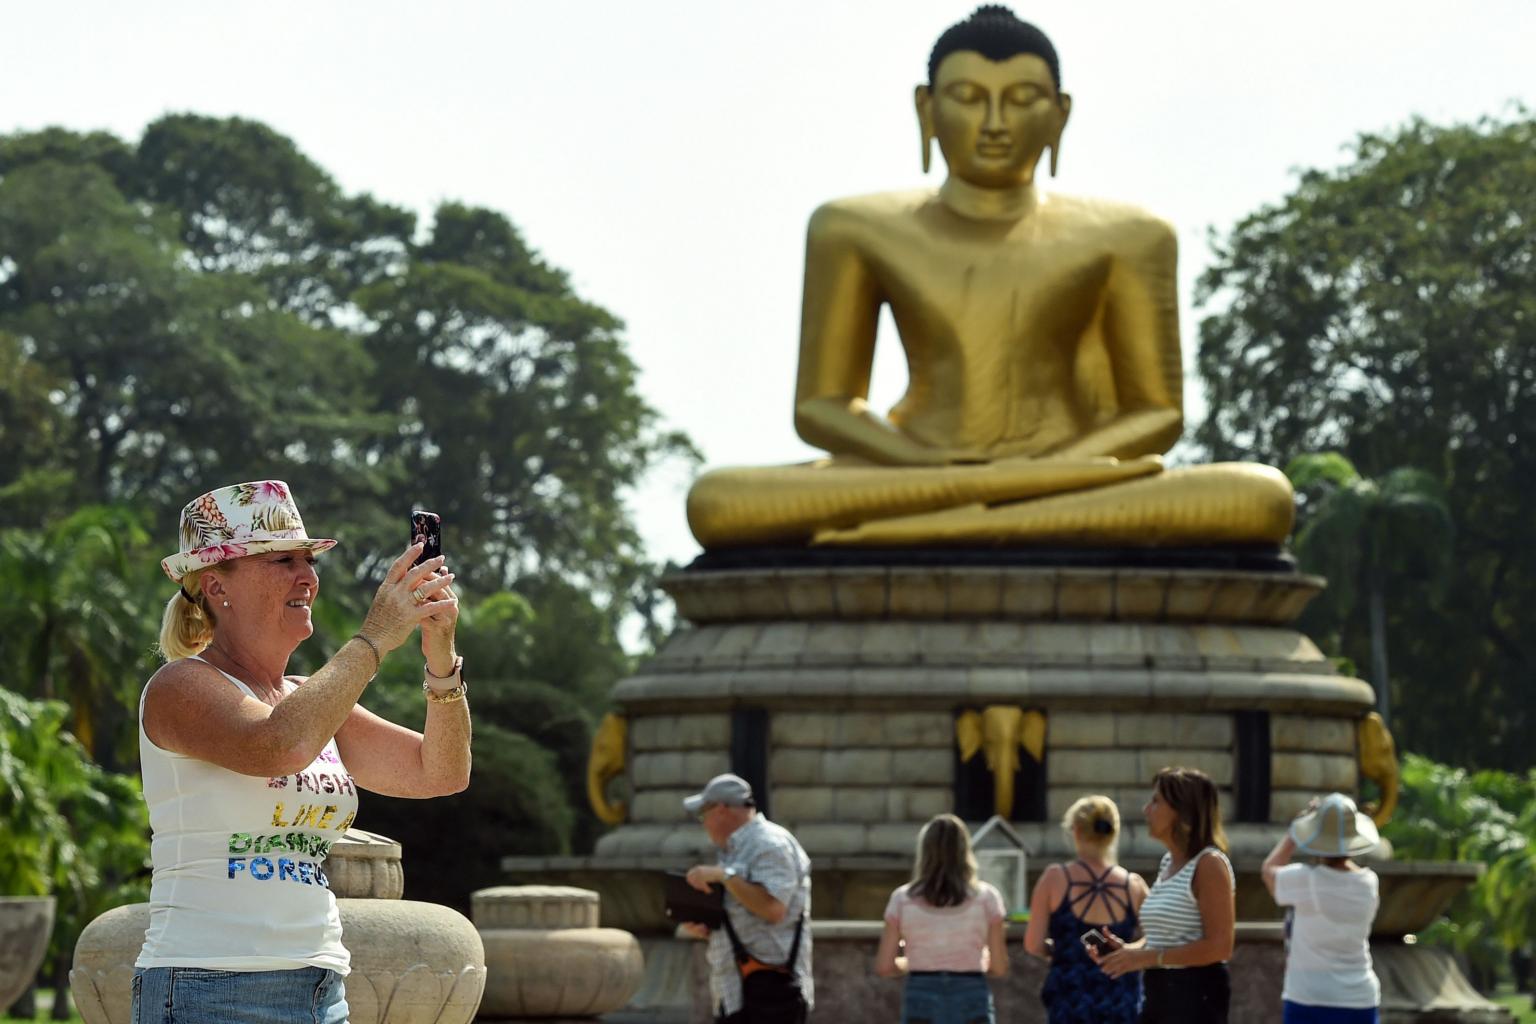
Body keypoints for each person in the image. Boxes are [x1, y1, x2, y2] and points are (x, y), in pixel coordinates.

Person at [684, 4, 1293, 550]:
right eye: (969, 97)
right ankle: (997, 515)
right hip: (913, 470)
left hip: (1068, 474)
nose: (996, 121)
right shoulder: (852, 227)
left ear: (1060, 114)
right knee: (717, 501)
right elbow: (822, 404)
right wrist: (935, 469)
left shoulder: (1130, 234)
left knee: (1258, 497)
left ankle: (942, 522)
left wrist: (1040, 473)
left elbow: (1156, 412)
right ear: (926, 108)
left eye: (1023, 98)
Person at [133, 480, 472, 1024]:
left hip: (320, 990)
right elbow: (278, 745)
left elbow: (442, 772)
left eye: (309, 560)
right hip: (207, 989)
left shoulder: (309, 700)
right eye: (283, 560)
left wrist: (441, 657)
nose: (308, 576)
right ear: (216, 585)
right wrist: (375, 637)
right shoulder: (178, 687)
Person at [1092, 767, 1236, 1024]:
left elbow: (1220, 947)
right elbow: (1166, 939)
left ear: (1182, 810)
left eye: (1156, 801)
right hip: (1159, 996)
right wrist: (1127, 952)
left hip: (1195, 1001)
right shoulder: (1168, 862)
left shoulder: (1209, 864)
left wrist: (1147, 957)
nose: (1146, 809)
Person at [682, 773, 813, 1023]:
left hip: (771, 994)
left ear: (721, 810)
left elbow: (774, 909)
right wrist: (708, 928)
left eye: (703, 815)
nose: (704, 824)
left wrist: (723, 875)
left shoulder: (770, 844)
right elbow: (747, 915)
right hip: (737, 993)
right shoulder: (736, 849)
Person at [1024, 795, 1147, 1023]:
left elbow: (1033, 943)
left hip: (1070, 998)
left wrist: (1060, 948)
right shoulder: (1133, 884)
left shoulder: (1055, 878)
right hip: (1119, 998)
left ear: (1077, 831)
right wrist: (1128, 952)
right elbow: (1159, 937)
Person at [876, 814, 1009, 1024]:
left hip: (921, 991)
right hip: (971, 991)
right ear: (964, 851)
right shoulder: (987, 898)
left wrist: (913, 961)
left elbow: (884, 966)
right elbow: (999, 967)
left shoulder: (902, 899)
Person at [1262, 793, 1383, 1024]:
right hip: (1360, 997)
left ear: (1316, 835)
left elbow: (1269, 870)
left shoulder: (1306, 879)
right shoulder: (1369, 882)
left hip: (1309, 996)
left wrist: (1295, 831)